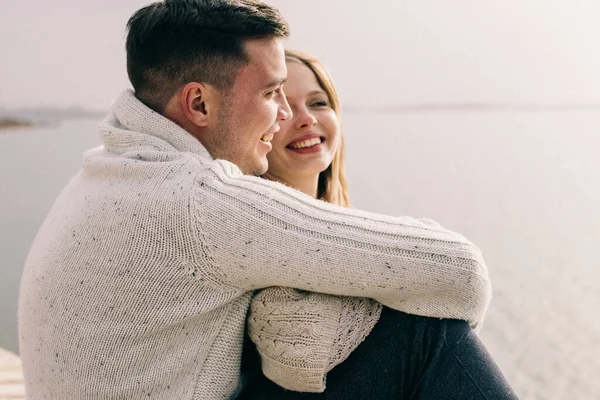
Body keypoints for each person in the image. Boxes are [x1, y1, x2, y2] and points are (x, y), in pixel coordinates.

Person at [18, 1, 499, 399]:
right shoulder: (197, 201)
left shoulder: (102, 174)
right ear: (200, 104)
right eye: (272, 92)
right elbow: (460, 271)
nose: (286, 113)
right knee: (422, 337)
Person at [241, 50, 518, 399]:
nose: (306, 119)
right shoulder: (251, 220)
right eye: (285, 109)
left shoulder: (344, 223)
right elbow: (296, 351)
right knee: (427, 331)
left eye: (318, 102)